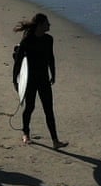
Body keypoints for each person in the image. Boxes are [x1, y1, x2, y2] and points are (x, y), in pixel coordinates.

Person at [12, 13, 67, 148]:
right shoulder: (27, 41)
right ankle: (26, 133)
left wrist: (53, 74)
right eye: (47, 23)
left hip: (43, 79)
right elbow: (18, 63)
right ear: (40, 25)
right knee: (30, 107)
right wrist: (16, 81)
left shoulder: (49, 39)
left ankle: (55, 141)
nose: (49, 25)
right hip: (30, 80)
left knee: (49, 109)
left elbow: (51, 58)